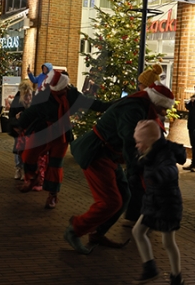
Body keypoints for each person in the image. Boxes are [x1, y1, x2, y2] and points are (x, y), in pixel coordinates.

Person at [65, 81, 175, 254]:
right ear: (156, 102)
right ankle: (75, 229)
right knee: (110, 201)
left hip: (109, 155)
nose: (165, 112)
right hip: (96, 153)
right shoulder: (133, 109)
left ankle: (97, 233)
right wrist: (135, 170)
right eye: (163, 108)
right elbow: (130, 142)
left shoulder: (141, 106)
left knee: (124, 197)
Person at [13, 70, 110, 209]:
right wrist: (19, 124)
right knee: (29, 155)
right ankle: (32, 178)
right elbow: (31, 111)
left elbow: (92, 103)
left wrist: (112, 105)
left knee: (55, 165)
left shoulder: (72, 95)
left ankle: (52, 195)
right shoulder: (44, 95)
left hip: (61, 134)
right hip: (43, 131)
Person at [131, 119, 186, 285]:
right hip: (154, 201)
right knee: (138, 231)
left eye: (139, 142)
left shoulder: (164, 154)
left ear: (149, 142)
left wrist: (157, 176)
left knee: (168, 242)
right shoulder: (149, 152)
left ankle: (176, 279)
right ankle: (150, 268)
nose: (137, 145)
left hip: (168, 203)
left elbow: (170, 170)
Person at [123, 64, 164, 225]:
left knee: (138, 183)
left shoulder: (144, 104)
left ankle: (137, 216)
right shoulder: (151, 103)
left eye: (140, 83)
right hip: (147, 149)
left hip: (144, 148)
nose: (138, 86)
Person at [8, 80, 35, 180]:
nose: (28, 98)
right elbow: (11, 116)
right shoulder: (17, 102)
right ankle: (18, 168)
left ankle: (26, 170)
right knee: (19, 150)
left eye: (29, 95)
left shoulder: (34, 102)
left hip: (30, 130)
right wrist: (15, 119)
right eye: (26, 95)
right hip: (19, 130)